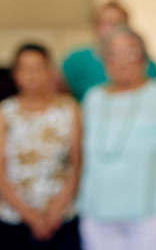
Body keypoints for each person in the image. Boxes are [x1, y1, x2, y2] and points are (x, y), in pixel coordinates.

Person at [77, 26, 156, 250]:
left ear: (143, 58)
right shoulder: (92, 99)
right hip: (97, 214)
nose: (121, 61)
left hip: (153, 215)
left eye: (130, 53)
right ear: (104, 59)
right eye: (113, 54)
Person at [0, 44, 82, 249]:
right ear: (15, 73)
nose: (32, 75)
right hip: (14, 217)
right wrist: (31, 216)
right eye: (25, 68)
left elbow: (77, 164)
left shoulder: (68, 109)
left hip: (62, 217)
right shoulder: (5, 112)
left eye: (38, 67)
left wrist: (56, 211)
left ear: (49, 71)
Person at [61, 0, 156, 102]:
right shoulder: (75, 62)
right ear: (94, 27)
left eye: (116, 23)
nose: (109, 29)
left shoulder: (144, 63)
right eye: (103, 23)